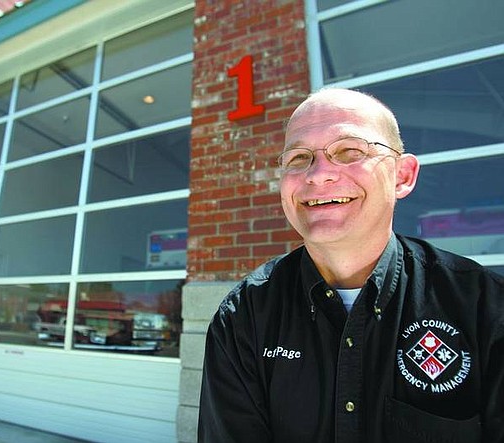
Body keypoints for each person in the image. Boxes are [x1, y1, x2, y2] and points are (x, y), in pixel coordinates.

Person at [198, 88, 504, 442]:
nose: (318, 175)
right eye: (298, 158)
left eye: (349, 151)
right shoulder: (244, 316)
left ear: (402, 176)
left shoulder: (484, 308)